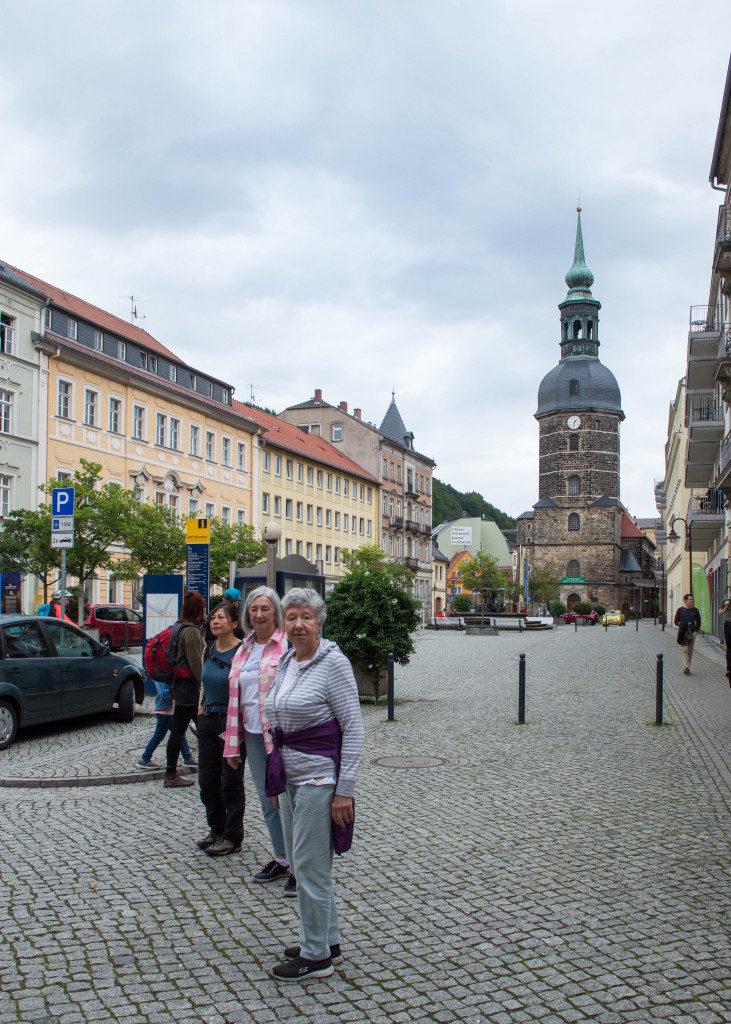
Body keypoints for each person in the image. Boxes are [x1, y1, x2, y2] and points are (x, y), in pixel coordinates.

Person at [265, 587, 364, 983]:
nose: (299, 624)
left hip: (318, 777)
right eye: (291, 617)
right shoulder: (288, 659)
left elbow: (354, 728)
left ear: (320, 622)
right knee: (308, 863)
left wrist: (345, 790)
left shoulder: (333, 663)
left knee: (308, 867)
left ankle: (315, 956)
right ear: (283, 624)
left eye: (306, 617)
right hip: (288, 776)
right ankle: (328, 941)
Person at [223, 586, 293, 889]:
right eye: (254, 609)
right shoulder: (244, 648)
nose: (259, 614)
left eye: (265, 609)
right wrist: (231, 743)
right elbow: (236, 698)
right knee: (268, 802)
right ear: (246, 614)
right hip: (252, 734)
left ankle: (299, 868)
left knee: (288, 801)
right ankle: (281, 858)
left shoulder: (287, 644)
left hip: (281, 737)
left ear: (275, 612)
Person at [196, 602, 245, 856]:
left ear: (235, 623)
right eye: (213, 617)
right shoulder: (209, 649)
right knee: (207, 780)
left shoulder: (242, 651)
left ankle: (232, 835)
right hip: (209, 720)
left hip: (232, 721)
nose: (215, 621)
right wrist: (200, 708)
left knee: (230, 781)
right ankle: (216, 827)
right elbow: (204, 682)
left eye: (221, 618)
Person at [164, 590, 206, 789]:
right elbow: (196, 663)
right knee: (182, 730)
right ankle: (170, 774)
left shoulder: (178, 626)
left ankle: (207, 764)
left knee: (202, 728)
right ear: (199, 609)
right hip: (188, 689)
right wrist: (204, 687)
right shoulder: (191, 632)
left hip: (180, 686)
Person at [137, 678, 198, 770]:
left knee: (179, 734)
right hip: (164, 712)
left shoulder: (169, 676)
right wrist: (178, 690)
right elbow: (164, 694)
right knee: (159, 735)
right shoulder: (160, 678)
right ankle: (144, 759)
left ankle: (188, 758)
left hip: (171, 711)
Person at [674, 593, 701, 676]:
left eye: (692, 599)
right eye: (690, 599)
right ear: (685, 600)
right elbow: (676, 621)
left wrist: (696, 631)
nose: (691, 601)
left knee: (690, 651)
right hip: (683, 633)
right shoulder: (680, 610)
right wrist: (681, 624)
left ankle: (687, 666)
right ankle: (686, 667)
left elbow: (699, 621)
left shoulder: (695, 610)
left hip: (692, 633)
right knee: (685, 650)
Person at [719, 593, 731, 683]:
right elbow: (720, 613)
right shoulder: (726, 601)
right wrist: (726, 606)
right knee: (729, 648)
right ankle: (729, 669)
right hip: (728, 625)